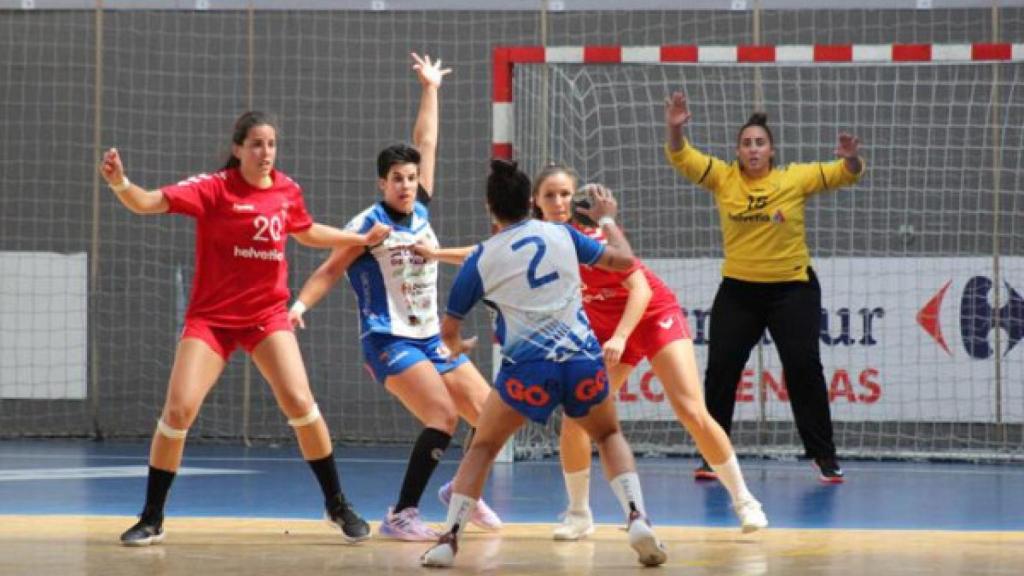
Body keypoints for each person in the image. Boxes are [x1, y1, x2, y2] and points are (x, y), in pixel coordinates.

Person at [98, 111, 390, 546]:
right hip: (212, 320)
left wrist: (359, 239)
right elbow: (145, 203)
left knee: (300, 401)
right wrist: (120, 182)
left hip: (266, 317)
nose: (265, 152)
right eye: (256, 144)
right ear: (237, 149)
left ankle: (336, 504)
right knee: (178, 410)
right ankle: (152, 516)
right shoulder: (213, 188)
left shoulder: (288, 190)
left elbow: (306, 232)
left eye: (271, 144)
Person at [289, 53, 501, 541]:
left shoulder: (420, 211)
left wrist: (431, 88)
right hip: (389, 340)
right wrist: (299, 307)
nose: (407, 185)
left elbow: (426, 141)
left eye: (411, 178)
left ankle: (459, 491)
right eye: (398, 179)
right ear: (381, 183)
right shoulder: (368, 226)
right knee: (442, 416)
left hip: (431, 338)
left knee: (490, 415)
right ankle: (401, 513)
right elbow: (329, 269)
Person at [420, 159, 667, 568]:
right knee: (607, 436)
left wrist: (459, 345)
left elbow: (448, 331)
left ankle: (449, 539)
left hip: (527, 370)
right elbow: (624, 261)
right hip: (582, 360)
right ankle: (637, 518)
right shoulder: (563, 234)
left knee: (482, 445)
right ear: (530, 201)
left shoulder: (479, 259)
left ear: (490, 207)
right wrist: (607, 220)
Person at [663, 90, 865, 483]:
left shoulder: (794, 179)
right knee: (721, 368)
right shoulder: (723, 179)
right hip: (739, 290)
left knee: (804, 367)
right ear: (738, 151)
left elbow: (848, 173)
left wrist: (851, 156)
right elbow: (682, 157)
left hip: (793, 289)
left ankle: (824, 455)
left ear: (771, 151)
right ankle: (713, 453)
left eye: (760, 143)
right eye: (746, 144)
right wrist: (674, 129)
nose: (753, 149)